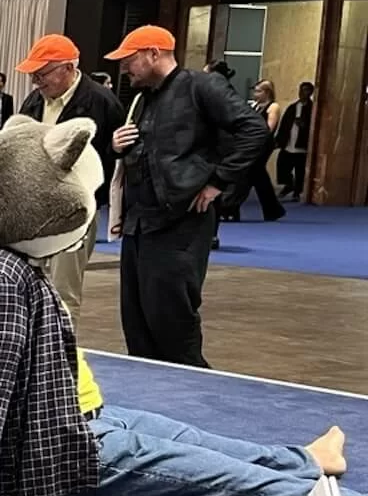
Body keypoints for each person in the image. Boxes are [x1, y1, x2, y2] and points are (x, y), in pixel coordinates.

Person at [0, 114, 363, 496]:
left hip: (60, 416)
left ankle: (305, 461)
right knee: (216, 480)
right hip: (44, 456)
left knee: (186, 439)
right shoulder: (3, 280)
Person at [105, 24, 268, 369]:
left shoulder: (201, 86)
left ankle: (195, 392)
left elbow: (254, 130)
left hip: (181, 223)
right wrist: (116, 146)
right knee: (138, 326)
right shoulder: (143, 99)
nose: (124, 68)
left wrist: (219, 181)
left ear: (154, 54)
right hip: (140, 223)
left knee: (173, 327)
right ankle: (148, 395)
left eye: (129, 59)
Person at [14, 34, 124, 330]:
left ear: (68, 68)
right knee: (25, 286)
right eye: (33, 74)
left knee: (63, 292)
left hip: (74, 209)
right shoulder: (34, 100)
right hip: (33, 208)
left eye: (42, 73)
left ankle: (59, 351)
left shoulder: (102, 102)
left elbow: (114, 157)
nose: (36, 81)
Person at [217, 80, 286, 224]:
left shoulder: (273, 107)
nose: (255, 94)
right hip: (252, 144)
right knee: (258, 176)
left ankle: (230, 206)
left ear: (267, 92)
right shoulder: (254, 106)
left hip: (262, 145)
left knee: (247, 174)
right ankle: (273, 210)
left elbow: (269, 129)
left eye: (258, 91)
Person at [276, 81, 313, 200]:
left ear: (311, 92)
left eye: (306, 90)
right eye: (301, 90)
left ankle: (297, 192)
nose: (302, 93)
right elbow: (283, 125)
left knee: (300, 171)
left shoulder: (312, 108)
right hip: (288, 144)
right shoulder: (292, 107)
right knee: (282, 166)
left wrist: (304, 126)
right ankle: (289, 185)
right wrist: (279, 140)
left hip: (302, 145)